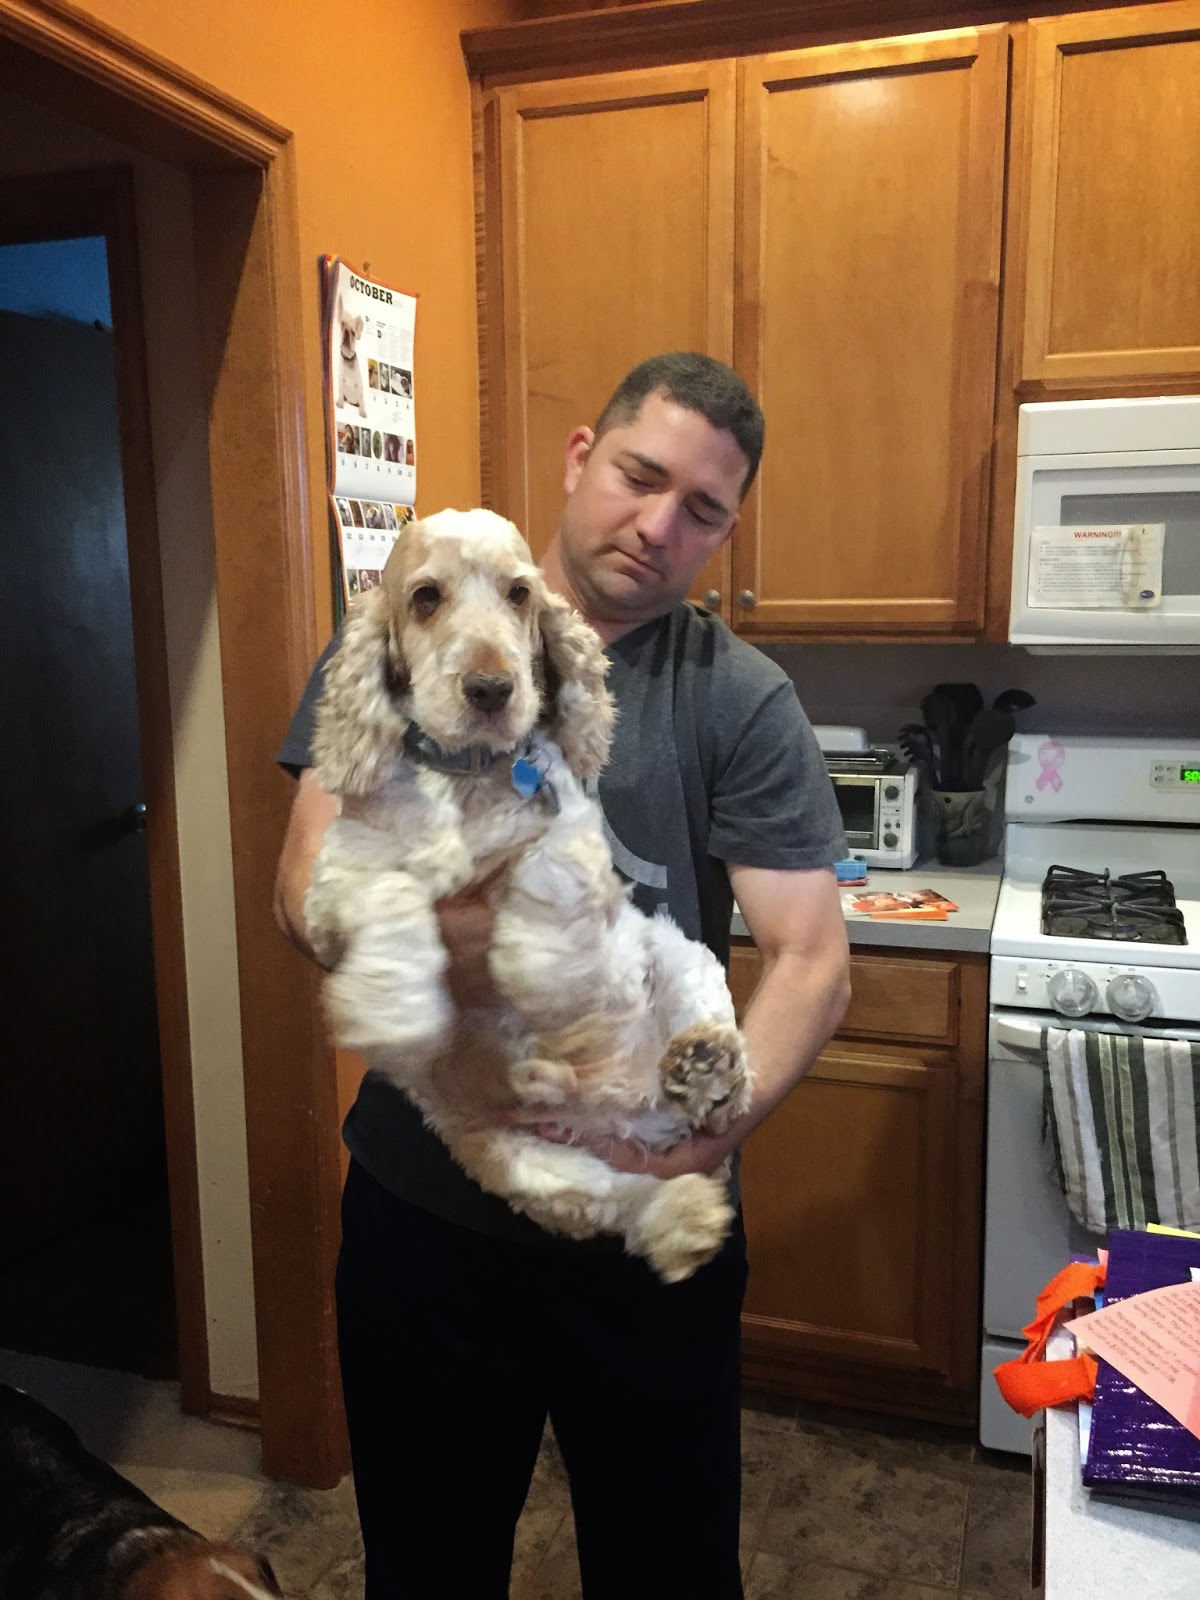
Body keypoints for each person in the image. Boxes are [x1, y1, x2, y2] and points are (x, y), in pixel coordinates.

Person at [273, 352, 851, 1599]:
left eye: (702, 509)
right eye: (641, 476)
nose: (659, 524)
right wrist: (452, 950)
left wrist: (706, 1137)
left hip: (642, 1200)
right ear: (583, 454)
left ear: (727, 530)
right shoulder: (406, 628)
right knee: (425, 1565)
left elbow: (812, 958)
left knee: (666, 1572)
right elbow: (301, 881)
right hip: (426, 1209)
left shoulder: (738, 698)